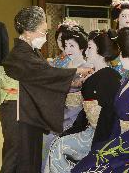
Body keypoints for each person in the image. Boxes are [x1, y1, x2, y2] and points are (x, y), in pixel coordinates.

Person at [2, 6, 92, 173]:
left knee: (30, 156)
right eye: (43, 33)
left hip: (27, 111)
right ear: (28, 33)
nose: (45, 37)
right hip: (18, 114)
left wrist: (71, 83)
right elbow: (45, 73)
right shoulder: (20, 55)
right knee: (18, 158)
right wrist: (75, 72)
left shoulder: (30, 52)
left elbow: (40, 79)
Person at [71, 21, 129, 173]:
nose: (119, 56)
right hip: (120, 144)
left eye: (122, 51)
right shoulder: (128, 80)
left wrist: (110, 154)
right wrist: (104, 148)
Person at [45, 30, 121, 173]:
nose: (86, 51)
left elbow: (107, 115)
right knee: (56, 142)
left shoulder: (110, 77)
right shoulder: (96, 75)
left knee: (59, 146)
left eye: (90, 48)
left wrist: (99, 145)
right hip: (89, 128)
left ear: (101, 51)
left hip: (101, 134)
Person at [41, 22, 88, 172]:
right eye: (66, 45)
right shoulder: (67, 64)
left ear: (82, 47)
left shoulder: (86, 66)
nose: (67, 49)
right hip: (62, 109)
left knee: (51, 138)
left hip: (77, 114)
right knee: (44, 135)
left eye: (71, 46)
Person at [0, 66, 18, 173]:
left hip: (16, 104)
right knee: (13, 143)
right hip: (9, 104)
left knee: (12, 143)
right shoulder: (1, 70)